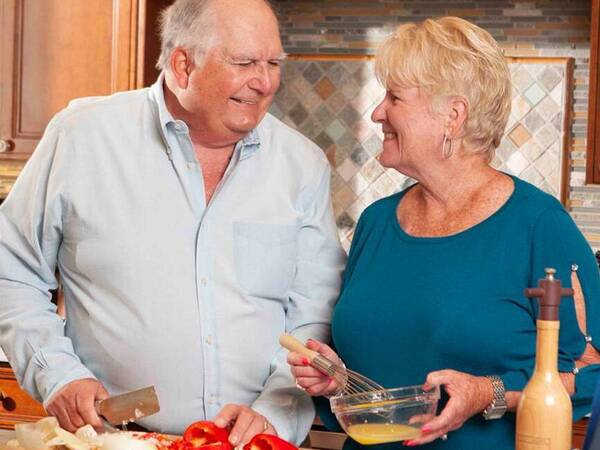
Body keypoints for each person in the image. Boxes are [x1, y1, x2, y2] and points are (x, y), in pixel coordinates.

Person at [0, 0, 345, 442]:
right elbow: (11, 272)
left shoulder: (302, 164)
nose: (264, 82)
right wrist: (57, 375)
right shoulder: (82, 137)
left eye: (273, 63)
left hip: (261, 443)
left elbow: (313, 316)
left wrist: (271, 417)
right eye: (244, 63)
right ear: (183, 65)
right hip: (119, 437)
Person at [287, 17, 600, 450]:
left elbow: (591, 374)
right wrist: (336, 382)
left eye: (395, 97)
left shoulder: (539, 226)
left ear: (453, 115)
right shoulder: (376, 222)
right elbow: (379, 385)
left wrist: (488, 394)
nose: (378, 112)